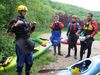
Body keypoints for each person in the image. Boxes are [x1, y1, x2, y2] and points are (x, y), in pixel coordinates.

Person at [7, 5, 36, 75]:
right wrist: (15, 25)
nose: (25, 12)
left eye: (25, 11)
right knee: (21, 62)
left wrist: (33, 27)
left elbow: (30, 32)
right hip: (20, 42)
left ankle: (27, 72)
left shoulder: (26, 20)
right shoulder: (14, 20)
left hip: (28, 41)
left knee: (30, 62)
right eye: (23, 11)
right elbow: (9, 33)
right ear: (19, 11)